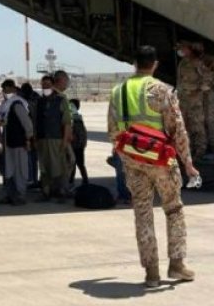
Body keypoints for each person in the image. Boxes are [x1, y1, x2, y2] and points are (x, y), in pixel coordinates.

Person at [108, 45, 199, 288]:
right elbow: (177, 129)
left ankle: (151, 272)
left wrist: (128, 156)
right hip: (161, 161)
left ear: (134, 63)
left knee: (142, 213)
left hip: (133, 163)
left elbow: (113, 132)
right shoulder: (161, 90)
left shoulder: (119, 91)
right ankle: (177, 264)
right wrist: (188, 162)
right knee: (173, 209)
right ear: (155, 64)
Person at [35, 75, 71, 201]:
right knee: (44, 167)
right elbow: (36, 121)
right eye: (43, 85)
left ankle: (61, 191)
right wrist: (35, 139)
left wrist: (65, 141)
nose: (45, 87)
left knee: (59, 166)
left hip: (57, 138)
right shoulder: (39, 101)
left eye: (48, 85)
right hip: (42, 139)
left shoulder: (61, 100)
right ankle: (46, 191)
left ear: (53, 85)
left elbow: (66, 122)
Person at [0, 79, 33, 205]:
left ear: (13, 89)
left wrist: (28, 139)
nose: (5, 92)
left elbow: (27, 124)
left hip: (19, 143)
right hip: (9, 143)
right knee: (9, 170)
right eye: (4, 90)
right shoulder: (6, 105)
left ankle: (21, 195)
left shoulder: (17, 104)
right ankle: (11, 195)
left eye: (7, 89)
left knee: (20, 170)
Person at [68, 98, 88, 187]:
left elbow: (78, 132)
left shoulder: (74, 118)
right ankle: (84, 180)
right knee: (79, 164)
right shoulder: (77, 117)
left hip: (75, 145)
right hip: (79, 145)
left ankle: (71, 181)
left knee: (74, 164)